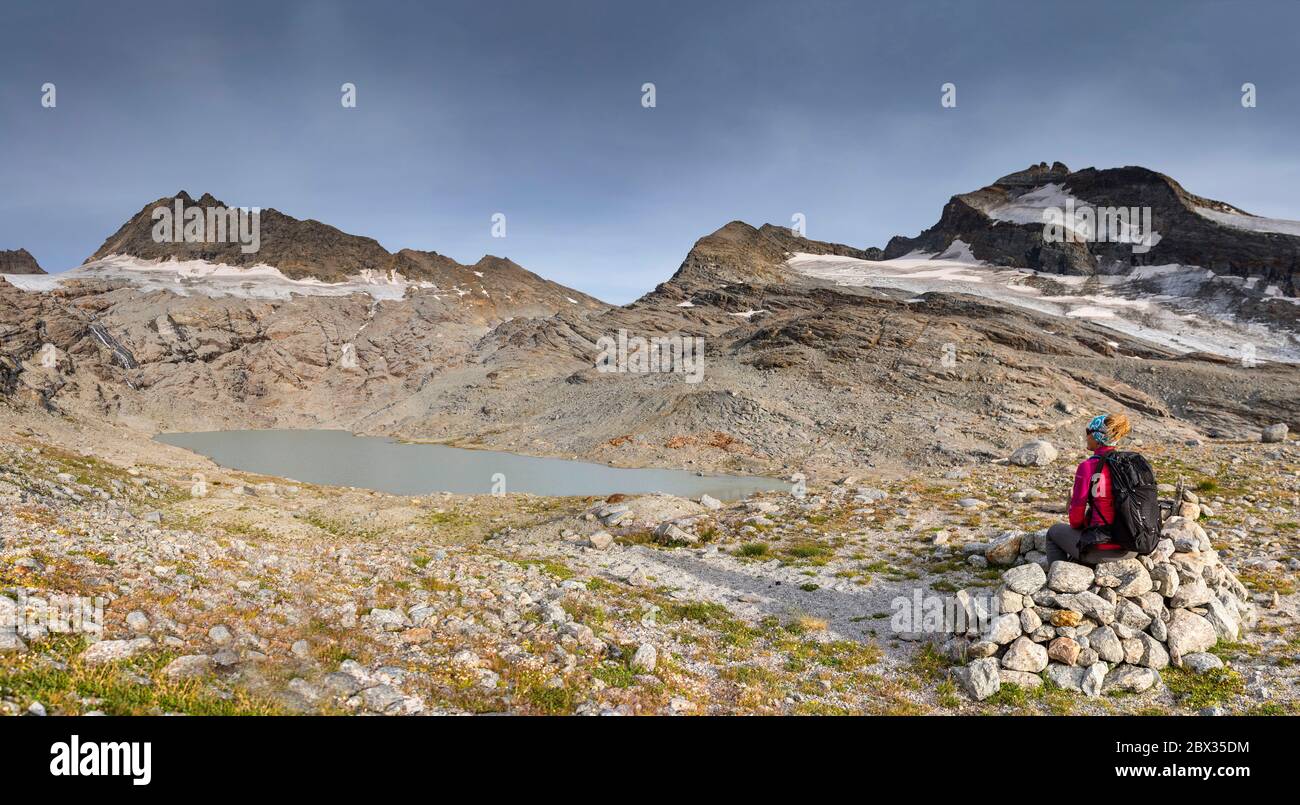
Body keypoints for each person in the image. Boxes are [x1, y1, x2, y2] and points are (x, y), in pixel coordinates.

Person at [1046, 412, 1135, 565]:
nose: (1086, 436)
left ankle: (1059, 577)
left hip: (1103, 550)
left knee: (1053, 532)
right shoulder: (1129, 464)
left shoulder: (1088, 467)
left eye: (1089, 432)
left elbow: (1075, 521)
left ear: (1098, 437)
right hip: (1133, 546)